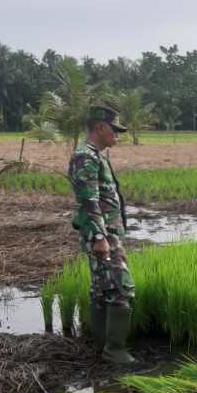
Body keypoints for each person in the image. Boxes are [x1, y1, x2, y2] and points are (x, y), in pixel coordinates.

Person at [69, 105, 136, 363]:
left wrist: (113, 239)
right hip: (101, 235)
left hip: (107, 235)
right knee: (121, 288)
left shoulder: (94, 155)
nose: (117, 135)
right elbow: (88, 200)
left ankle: (101, 347)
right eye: (114, 130)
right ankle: (114, 350)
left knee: (102, 289)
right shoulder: (86, 156)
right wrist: (99, 238)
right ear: (100, 127)